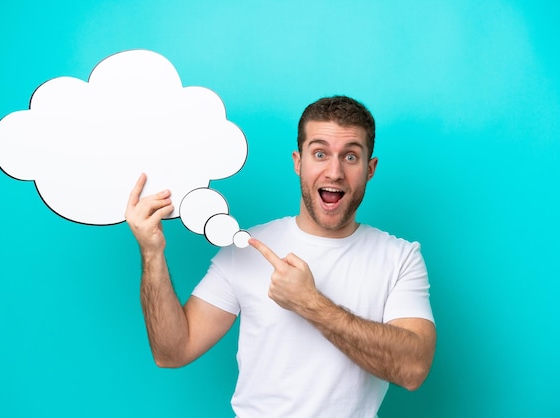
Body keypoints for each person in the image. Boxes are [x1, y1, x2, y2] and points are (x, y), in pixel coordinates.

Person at [125, 96, 436, 418]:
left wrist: (310, 303)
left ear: (369, 169)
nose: (335, 172)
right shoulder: (245, 248)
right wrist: (152, 253)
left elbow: (413, 370)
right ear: (297, 161)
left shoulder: (400, 257)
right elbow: (172, 351)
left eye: (351, 157)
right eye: (319, 154)